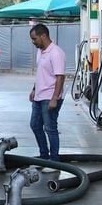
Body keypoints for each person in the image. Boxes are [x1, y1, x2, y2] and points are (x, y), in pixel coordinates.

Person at [29, 24, 66, 161]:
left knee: (50, 128)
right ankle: (44, 156)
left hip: (50, 97)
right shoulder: (41, 51)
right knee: (35, 125)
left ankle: (54, 160)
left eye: (34, 39)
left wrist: (55, 98)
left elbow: (60, 77)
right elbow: (41, 73)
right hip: (39, 96)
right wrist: (34, 89)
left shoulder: (56, 53)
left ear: (43, 36)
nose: (33, 42)